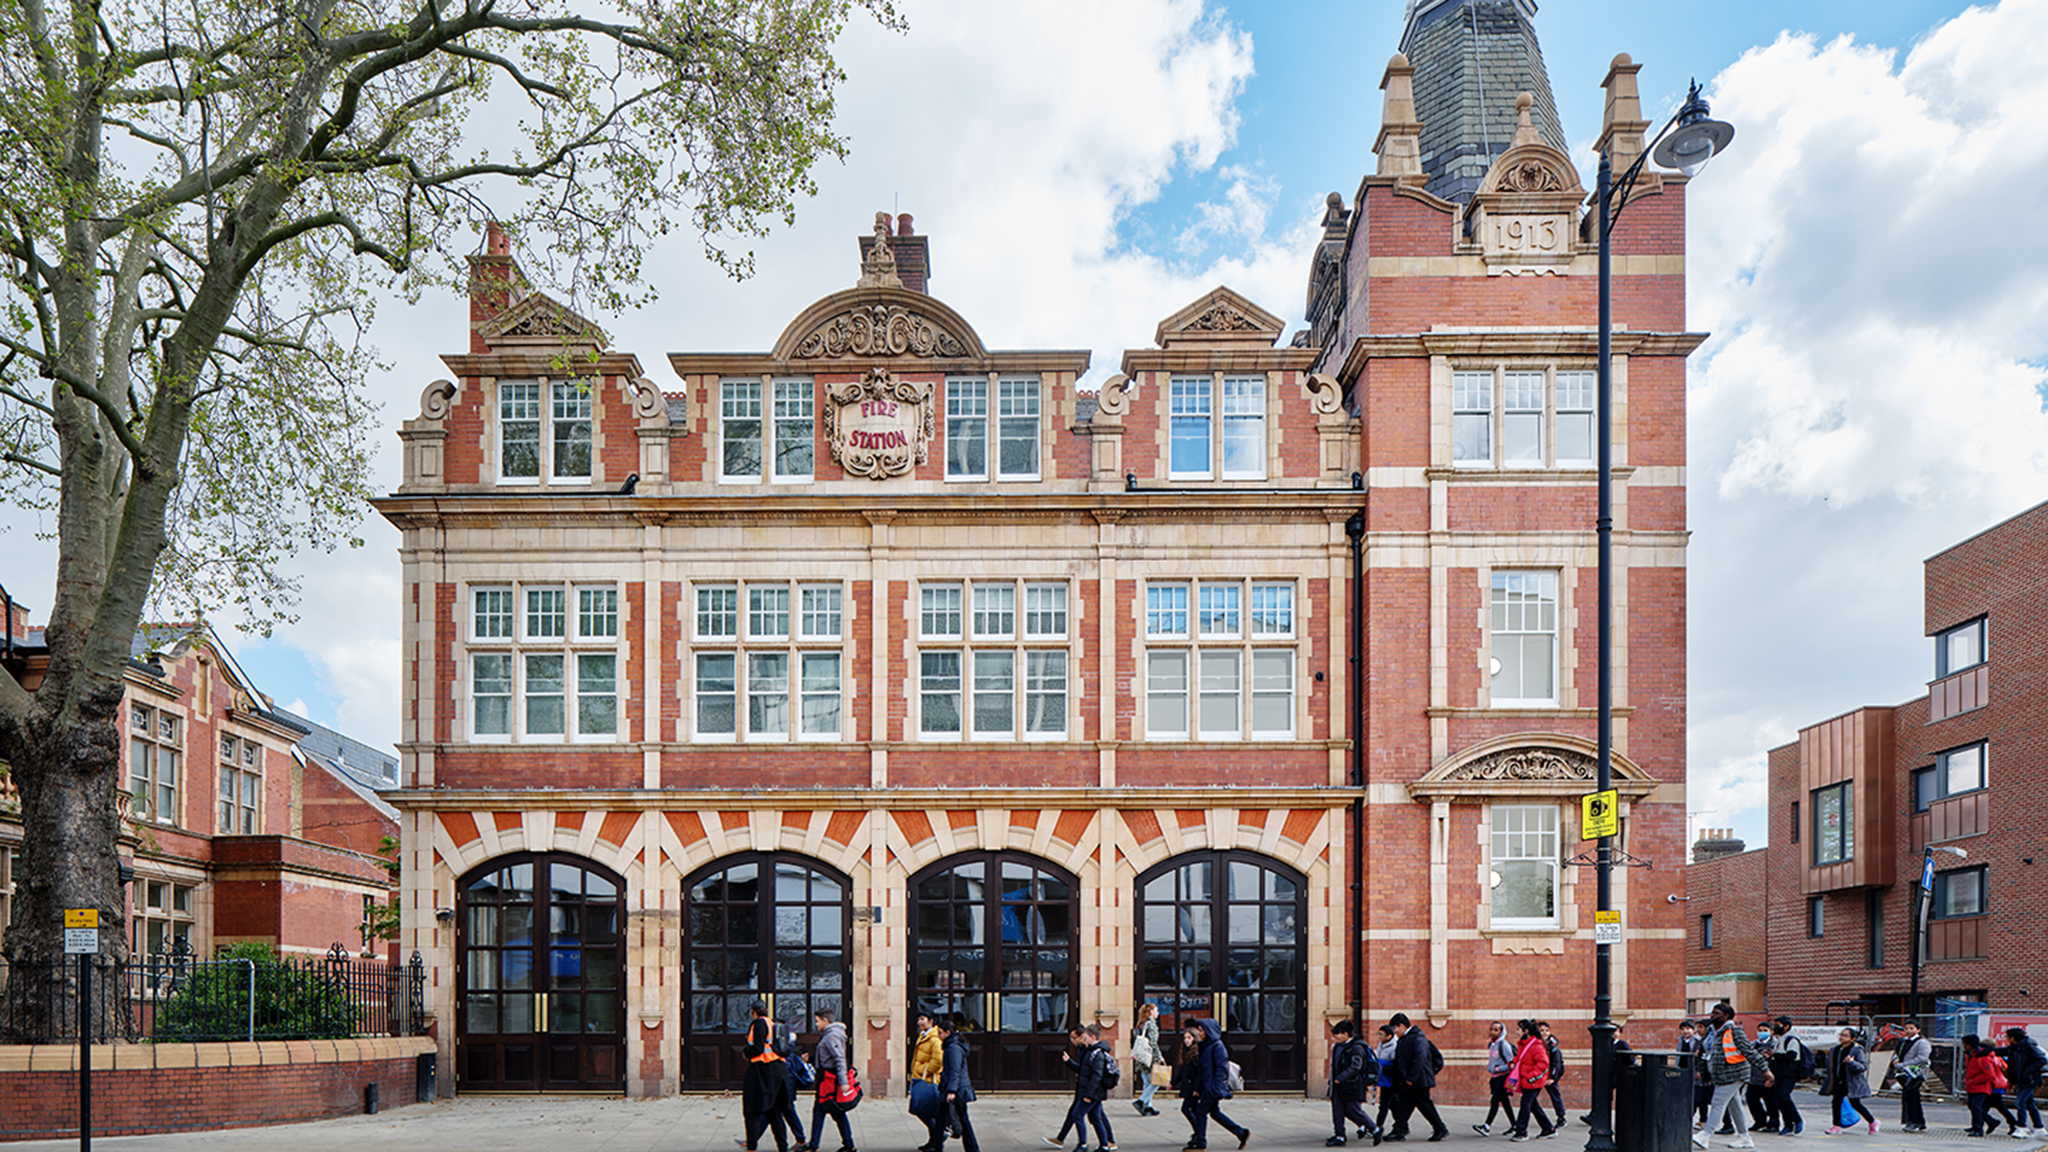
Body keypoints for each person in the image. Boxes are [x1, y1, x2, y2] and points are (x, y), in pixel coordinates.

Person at [1694, 1002, 1766, 1150]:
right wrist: (1705, 1073)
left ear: (1726, 1016)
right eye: (1712, 1012)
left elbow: (1749, 1052)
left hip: (1734, 1073)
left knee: (1717, 1103)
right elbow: (1705, 1053)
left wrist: (1765, 1070)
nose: (1712, 1015)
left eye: (1716, 1013)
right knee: (1735, 1104)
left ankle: (1705, 1135)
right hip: (1719, 1074)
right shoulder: (1711, 1031)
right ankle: (1744, 1137)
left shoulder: (1735, 1031)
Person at [1179, 1019, 1250, 1150]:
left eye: (1201, 1030)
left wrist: (1214, 1087)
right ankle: (1241, 1133)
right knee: (1215, 1113)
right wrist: (1198, 1088)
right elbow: (1201, 1069)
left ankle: (1200, 1142)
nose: (1199, 1033)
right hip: (1206, 1086)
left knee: (1200, 1112)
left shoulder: (1217, 1047)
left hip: (1211, 1087)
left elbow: (1221, 1070)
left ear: (1208, 1031)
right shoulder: (1205, 1045)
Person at [1047, 1024, 1117, 1152]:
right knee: (1095, 1118)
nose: (1083, 1041)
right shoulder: (1089, 1052)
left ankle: (1083, 1145)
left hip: (1093, 1092)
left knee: (1077, 1115)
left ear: (1093, 1037)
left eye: (1085, 1038)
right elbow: (1083, 1071)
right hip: (1091, 1091)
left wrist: (1088, 1095)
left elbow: (1096, 1076)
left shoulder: (1097, 1054)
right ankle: (1104, 1146)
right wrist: (1069, 1062)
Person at [742, 1000, 794, 1152]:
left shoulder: (758, 1023)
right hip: (778, 1070)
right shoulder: (773, 1023)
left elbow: (758, 1048)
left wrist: (746, 1052)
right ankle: (783, 1148)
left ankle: (751, 1147)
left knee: (752, 1112)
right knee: (774, 1113)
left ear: (754, 1012)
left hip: (762, 1071)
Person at [1388, 1012, 1449, 1143]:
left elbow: (1419, 1059)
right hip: (1410, 1079)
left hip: (1419, 1080)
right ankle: (1399, 1130)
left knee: (1425, 1105)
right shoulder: (1406, 1039)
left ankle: (1439, 1128)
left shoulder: (1417, 1039)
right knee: (1404, 1106)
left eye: (1395, 1028)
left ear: (1402, 1026)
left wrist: (1411, 1077)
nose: (1394, 1032)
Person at [807, 1008, 856, 1152]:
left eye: (817, 1021)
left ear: (825, 1020)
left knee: (826, 1111)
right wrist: (810, 1059)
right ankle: (848, 1144)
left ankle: (815, 1145)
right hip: (827, 1079)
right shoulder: (832, 1034)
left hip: (829, 1081)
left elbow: (839, 1059)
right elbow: (828, 1057)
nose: (816, 1024)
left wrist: (843, 1082)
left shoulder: (831, 1035)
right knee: (834, 1112)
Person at [1327, 1019, 1382, 1147]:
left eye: (1337, 1035)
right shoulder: (1339, 1047)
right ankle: (1339, 1136)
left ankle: (1375, 1129)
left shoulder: (1357, 1048)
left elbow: (1355, 1067)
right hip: (1339, 1085)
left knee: (1354, 1110)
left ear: (1346, 1034)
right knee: (1337, 1111)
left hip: (1353, 1085)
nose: (1335, 1038)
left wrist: (1340, 1078)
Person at [934, 1015, 980, 1152]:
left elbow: (955, 1071)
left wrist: (952, 1091)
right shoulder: (950, 1046)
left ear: (948, 1032)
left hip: (956, 1089)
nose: (938, 1036)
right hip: (950, 1087)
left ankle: (972, 1149)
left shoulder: (954, 1048)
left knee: (962, 1120)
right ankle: (936, 1146)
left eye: (940, 1033)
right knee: (941, 1119)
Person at [1505, 1019, 1555, 1143]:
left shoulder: (1536, 1045)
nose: (1516, 1032)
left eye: (1518, 1029)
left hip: (1532, 1081)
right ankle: (1548, 1128)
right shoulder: (1525, 1043)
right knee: (1533, 1105)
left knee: (1525, 1105)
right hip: (1528, 1079)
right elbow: (1521, 1058)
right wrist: (1512, 1063)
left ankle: (1522, 1132)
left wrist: (1529, 1076)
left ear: (1526, 1031)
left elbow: (1543, 1063)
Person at [1963, 1033, 2020, 1137]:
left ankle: (1987, 1123)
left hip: (1993, 1084)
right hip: (1996, 1084)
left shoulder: (1987, 1057)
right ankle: (2011, 1123)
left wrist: (1974, 1081)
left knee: (1979, 1107)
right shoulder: (1995, 1057)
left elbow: (1989, 1073)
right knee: (1998, 1106)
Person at [1823, 1028, 1876, 1136]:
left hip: (1852, 1081)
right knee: (1836, 1102)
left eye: (1846, 1035)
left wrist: (1851, 1062)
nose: (1842, 1037)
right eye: (1841, 1035)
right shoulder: (1835, 1049)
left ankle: (1872, 1121)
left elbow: (1862, 1067)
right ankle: (1836, 1125)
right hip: (1838, 1080)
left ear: (1853, 1038)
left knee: (1856, 1103)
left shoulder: (1856, 1050)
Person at [1764, 1017, 1805, 1137]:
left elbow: (1792, 1056)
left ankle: (1797, 1119)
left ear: (1786, 1026)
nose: (1776, 1027)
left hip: (1788, 1074)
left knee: (1784, 1096)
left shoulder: (1792, 1039)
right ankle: (1788, 1124)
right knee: (1778, 1099)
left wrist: (1775, 1055)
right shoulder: (1779, 1039)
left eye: (1778, 1025)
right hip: (1778, 1073)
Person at [2003, 1026, 2046, 1137]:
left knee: (2019, 1102)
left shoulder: (2028, 1046)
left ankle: (2022, 1127)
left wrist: (2028, 1070)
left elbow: (2041, 1059)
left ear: (2013, 1038)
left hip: (2030, 1080)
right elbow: (2002, 1051)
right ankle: (2039, 1127)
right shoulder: (2015, 1048)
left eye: (2007, 1037)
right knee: (2030, 1103)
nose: (2006, 1039)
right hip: (2022, 1080)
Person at [1475, 1020, 1517, 1136]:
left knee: (1495, 1100)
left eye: (1496, 1030)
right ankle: (1515, 1125)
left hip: (1502, 1077)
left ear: (1501, 1031)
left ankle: (1486, 1126)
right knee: (1505, 1102)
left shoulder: (1504, 1045)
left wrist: (1497, 1069)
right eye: (1491, 1029)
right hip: (1495, 1077)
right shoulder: (1492, 1044)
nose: (1493, 1032)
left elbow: (1511, 1064)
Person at [1889, 1021, 1930, 1133]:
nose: (1908, 1030)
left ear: (1918, 1029)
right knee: (1911, 1096)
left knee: (1911, 1096)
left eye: (1911, 1028)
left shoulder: (1922, 1042)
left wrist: (1903, 1064)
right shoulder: (1903, 1041)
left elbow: (1922, 1058)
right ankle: (1919, 1122)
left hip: (1915, 1074)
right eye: (1906, 1028)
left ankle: (1913, 1121)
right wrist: (1895, 1060)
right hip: (1904, 1073)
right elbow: (1897, 1053)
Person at [1745, 1021, 1778, 1132]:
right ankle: (1759, 1121)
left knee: (1770, 1102)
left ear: (1771, 1032)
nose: (1762, 1033)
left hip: (1768, 1078)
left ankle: (1773, 1123)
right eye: (1760, 1030)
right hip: (1754, 1077)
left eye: (1765, 1030)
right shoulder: (1752, 1044)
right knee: (1751, 1099)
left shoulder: (1774, 1044)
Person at [1133, 1003, 1164, 1117]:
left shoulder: (1142, 1024)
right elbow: (1153, 1043)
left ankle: (1148, 1106)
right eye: (1156, 1010)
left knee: (1147, 1081)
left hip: (1141, 1057)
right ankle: (1141, 1101)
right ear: (1151, 1011)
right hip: (1150, 1057)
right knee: (1157, 1082)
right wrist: (1159, 1056)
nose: (1158, 1013)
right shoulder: (1151, 1025)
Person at [1536, 1021, 1567, 1131]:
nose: (1544, 1033)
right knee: (1531, 1097)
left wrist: (1552, 1077)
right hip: (1539, 1074)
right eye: (1542, 1030)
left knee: (1554, 1095)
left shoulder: (1552, 1045)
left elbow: (1556, 1062)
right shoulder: (1537, 1043)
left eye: (1546, 1030)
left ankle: (1561, 1117)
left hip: (1549, 1075)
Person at [1372, 1025, 1399, 1137]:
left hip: (1390, 1079)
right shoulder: (1382, 1045)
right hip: (1383, 1078)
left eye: (1381, 1034)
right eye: (1378, 1034)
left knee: (1384, 1104)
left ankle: (1378, 1127)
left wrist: (1384, 1069)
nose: (1379, 1037)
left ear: (1389, 1036)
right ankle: (1402, 1125)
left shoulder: (1394, 1047)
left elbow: (1396, 1065)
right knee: (1392, 1104)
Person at [912, 1012, 943, 1084]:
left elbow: (937, 1060)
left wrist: (921, 1070)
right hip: (919, 1079)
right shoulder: (922, 1036)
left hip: (929, 1081)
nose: (919, 1022)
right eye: (918, 1020)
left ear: (931, 1021)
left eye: (922, 1019)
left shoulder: (935, 1039)